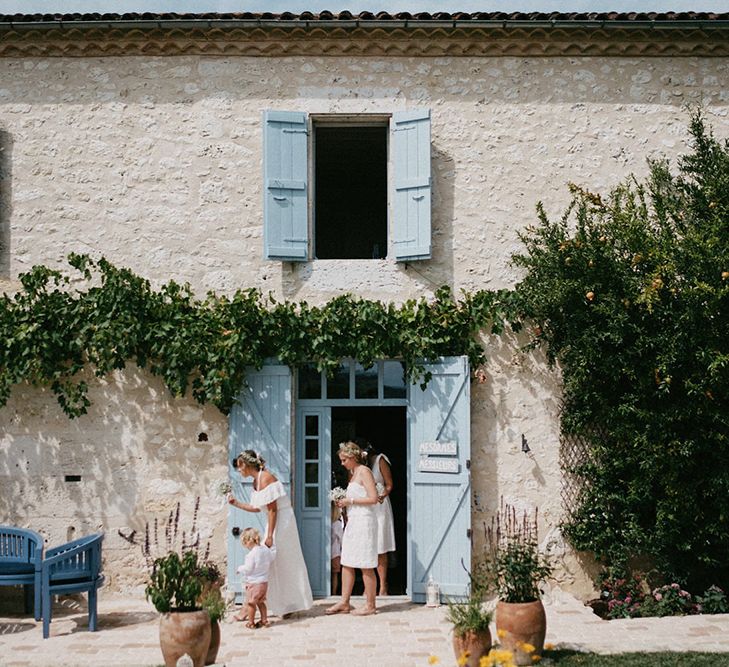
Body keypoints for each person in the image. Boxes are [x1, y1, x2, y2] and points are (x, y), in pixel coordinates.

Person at [228, 450, 313, 617]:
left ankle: (285, 604)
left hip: (283, 521)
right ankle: (278, 605)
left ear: (245, 464)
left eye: (239, 467)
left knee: (278, 560)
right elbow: (258, 508)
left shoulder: (266, 477)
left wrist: (269, 536)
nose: (239, 471)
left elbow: (273, 510)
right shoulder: (255, 482)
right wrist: (236, 503)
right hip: (274, 521)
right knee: (271, 561)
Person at [325, 441, 379, 616]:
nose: (342, 463)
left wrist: (351, 501)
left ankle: (371, 605)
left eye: (343, 460)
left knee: (365, 563)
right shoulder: (353, 473)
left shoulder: (364, 472)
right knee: (347, 561)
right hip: (354, 521)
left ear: (353, 457)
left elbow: (373, 498)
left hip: (365, 521)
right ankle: (344, 602)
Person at [358, 438, 396, 596]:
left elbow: (389, 484)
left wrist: (382, 494)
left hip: (380, 507)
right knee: (367, 545)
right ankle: (369, 586)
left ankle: (383, 585)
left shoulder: (380, 460)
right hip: (366, 507)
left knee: (380, 546)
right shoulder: (359, 467)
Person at [235, 527, 276, 628]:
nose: (245, 545)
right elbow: (271, 558)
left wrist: (239, 568)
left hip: (254, 583)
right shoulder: (265, 550)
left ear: (249, 540)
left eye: (245, 542)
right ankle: (264, 620)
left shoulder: (251, 555)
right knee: (261, 602)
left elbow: (248, 569)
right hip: (264, 583)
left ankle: (251, 622)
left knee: (251, 603)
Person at [330, 502, 344, 596]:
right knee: (335, 574)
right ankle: (334, 593)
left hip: (327, 552)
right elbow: (342, 539)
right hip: (335, 552)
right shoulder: (337, 524)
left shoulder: (327, 523)